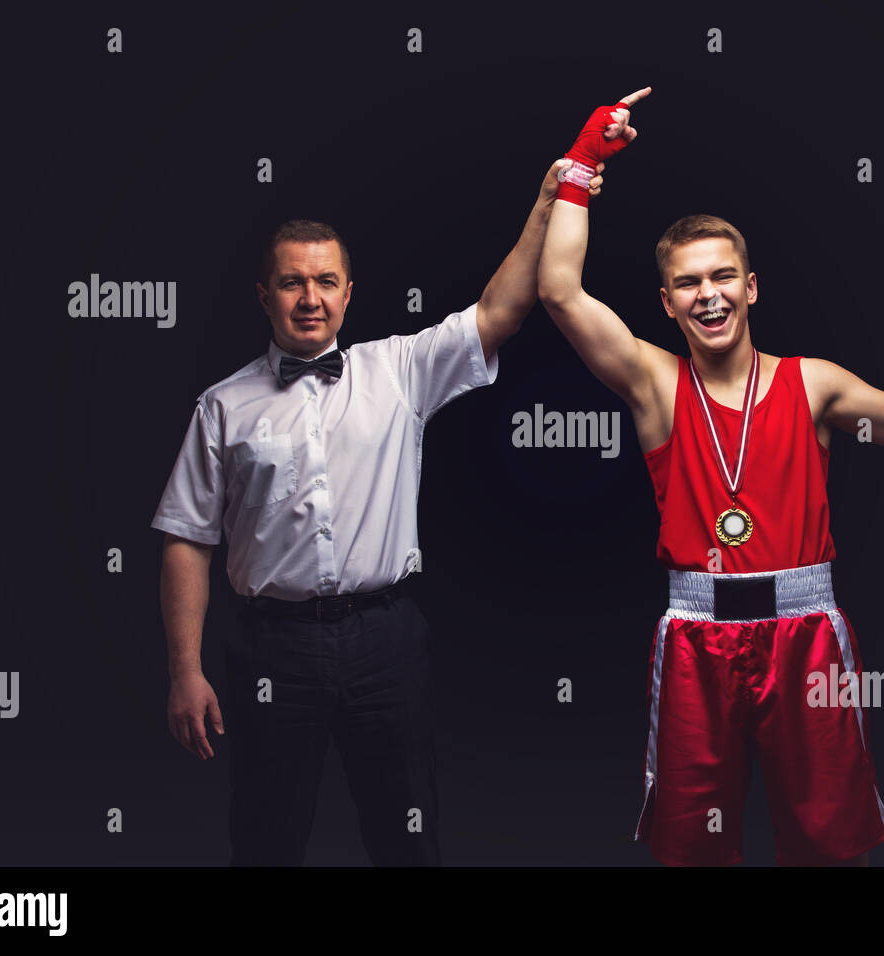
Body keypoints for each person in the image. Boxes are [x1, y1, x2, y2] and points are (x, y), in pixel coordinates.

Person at [538, 88, 884, 866]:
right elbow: (559, 291)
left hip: (807, 635)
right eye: (689, 284)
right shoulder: (653, 383)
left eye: (723, 276)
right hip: (696, 637)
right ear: (667, 303)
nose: (709, 294)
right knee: (692, 845)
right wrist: (580, 166)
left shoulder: (814, 384)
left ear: (751, 286)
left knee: (827, 838)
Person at [152, 159, 605, 866]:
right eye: (293, 282)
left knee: (408, 838)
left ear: (348, 293)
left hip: (386, 641)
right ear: (264, 295)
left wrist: (552, 197)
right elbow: (186, 539)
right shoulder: (222, 405)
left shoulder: (398, 369)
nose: (311, 297)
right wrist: (185, 669)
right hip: (273, 646)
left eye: (325, 281)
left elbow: (501, 310)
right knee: (265, 841)